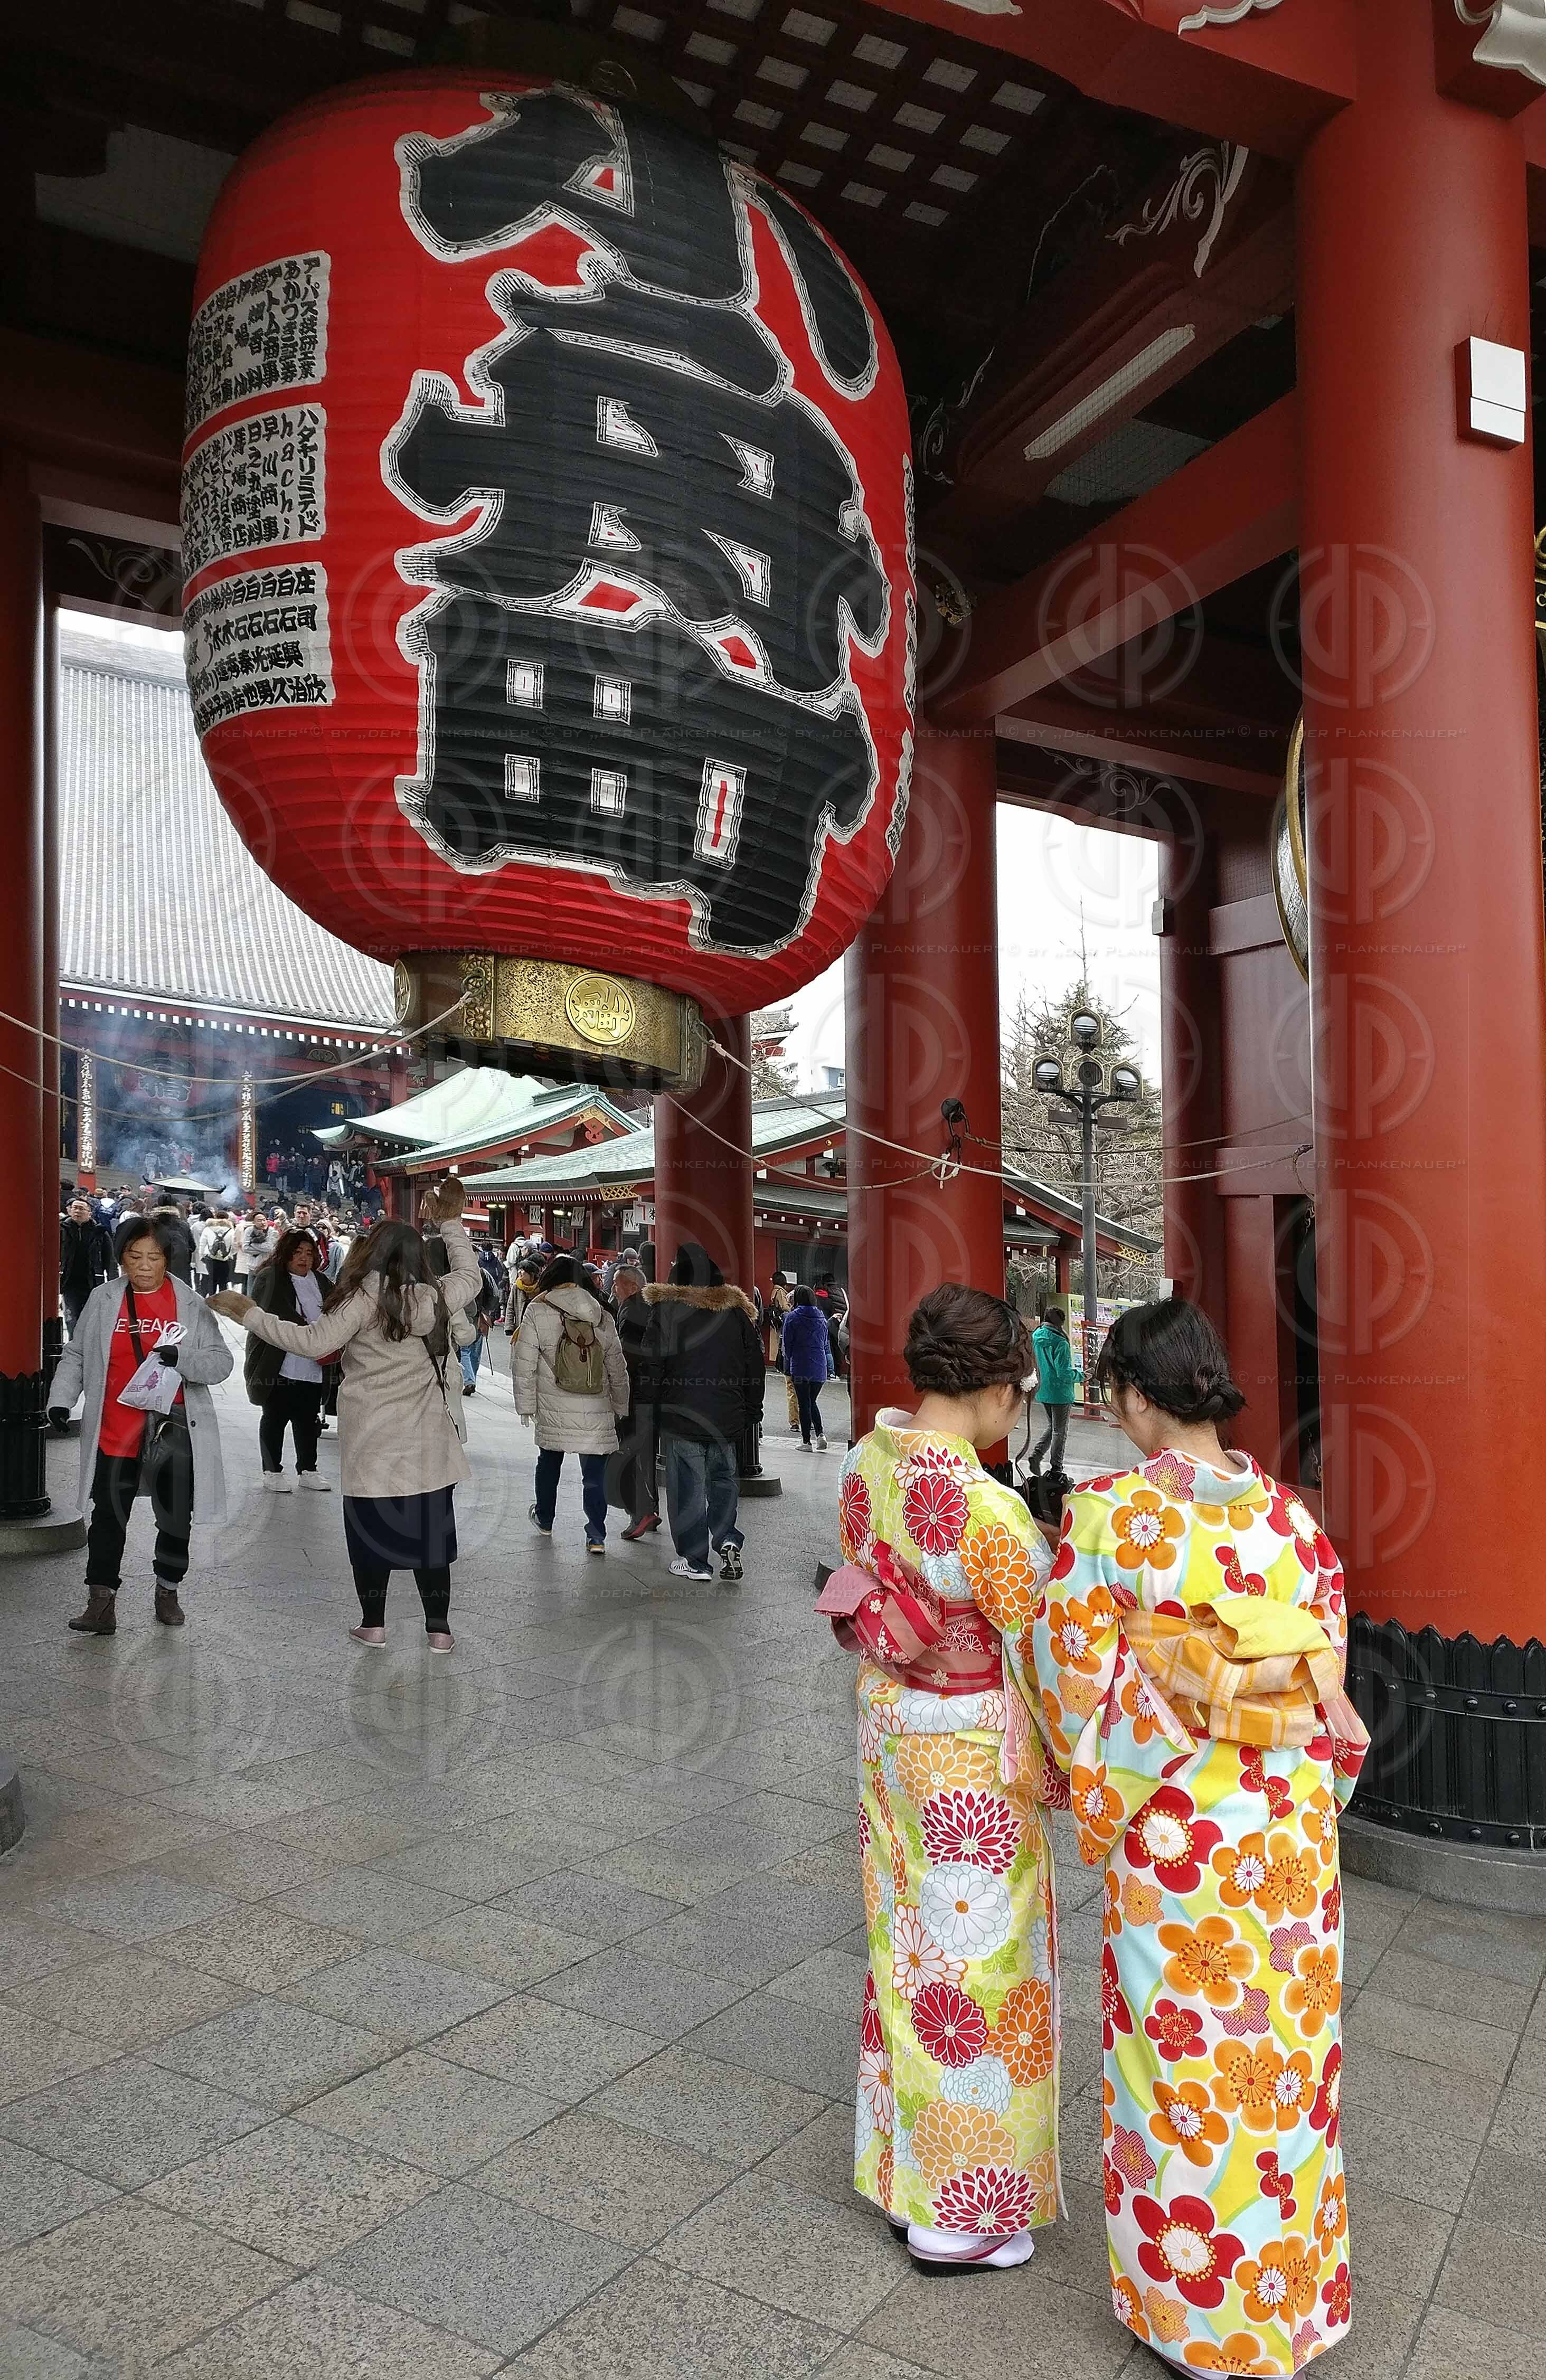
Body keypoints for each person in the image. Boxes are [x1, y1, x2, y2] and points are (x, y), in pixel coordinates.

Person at [1030, 1296, 1366, 2373]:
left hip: (1178, 1831)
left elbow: (1071, 1670)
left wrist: (1080, 1758)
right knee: (1287, 2067)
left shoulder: (1109, 1515)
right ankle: (1291, 2302)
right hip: (1288, 1838)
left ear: (1134, 1394)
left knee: (1180, 2063)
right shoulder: (1290, 1520)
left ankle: (1196, 2315)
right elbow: (1325, 1674)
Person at [832, 1283, 1060, 2273]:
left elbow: (859, 1575)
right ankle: (959, 2212)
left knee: (907, 1947)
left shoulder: (861, 1462)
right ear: (999, 1384)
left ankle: (904, 2176)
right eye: (1019, 1388)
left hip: (891, 1730)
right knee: (979, 1964)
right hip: (967, 1752)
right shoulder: (984, 1504)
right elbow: (1044, 1646)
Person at [211, 1181, 479, 1651]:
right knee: (431, 1542)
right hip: (427, 1444)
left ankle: (373, 1626)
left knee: (372, 1538)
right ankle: (439, 1631)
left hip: (373, 1441)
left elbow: (313, 1343)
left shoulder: (361, 1299)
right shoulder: (434, 1297)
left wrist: (251, 1315)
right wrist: (451, 1224)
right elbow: (471, 1276)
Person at [49, 1213, 233, 1633]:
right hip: (116, 1429)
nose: (145, 1266)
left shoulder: (191, 1304)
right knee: (108, 1517)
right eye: (135, 1256)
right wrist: (61, 1400)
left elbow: (222, 1363)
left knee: (173, 1518)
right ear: (122, 1260)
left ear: (168, 1260)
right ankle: (101, 1602)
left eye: (154, 1257)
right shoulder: (103, 1299)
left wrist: (181, 1359)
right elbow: (77, 1353)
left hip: (175, 1430)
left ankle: (168, 1590)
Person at [640, 1240, 763, 1582]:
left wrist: (648, 1408)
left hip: (683, 1417)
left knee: (688, 1487)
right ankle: (726, 1539)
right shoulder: (736, 1313)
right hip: (726, 1418)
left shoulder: (667, 1310)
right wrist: (752, 1410)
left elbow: (653, 1364)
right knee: (724, 1480)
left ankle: (695, 1560)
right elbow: (755, 1365)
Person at [512, 1253, 629, 1554]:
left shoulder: (539, 1309)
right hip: (596, 1404)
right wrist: (621, 1406)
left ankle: (546, 1518)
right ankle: (597, 1536)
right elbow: (617, 1365)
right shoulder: (600, 1311)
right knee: (594, 1474)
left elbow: (524, 1364)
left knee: (549, 1462)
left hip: (554, 1405)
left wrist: (526, 1407)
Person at [243, 1229, 332, 1492]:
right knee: (275, 1417)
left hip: (313, 1362)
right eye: (298, 1253)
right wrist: (308, 1329)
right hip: (278, 1361)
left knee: (308, 1418)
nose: (304, 1259)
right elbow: (267, 1313)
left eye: (309, 1253)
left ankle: (308, 1469)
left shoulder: (322, 1281)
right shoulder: (270, 1277)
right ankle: (272, 1470)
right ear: (286, 1254)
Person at [607, 1259, 659, 1541]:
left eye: (617, 1283)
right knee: (646, 1451)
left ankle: (641, 1512)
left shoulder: (631, 1310)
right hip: (654, 1393)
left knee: (629, 1453)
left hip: (636, 1393)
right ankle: (650, 1510)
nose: (613, 1288)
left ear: (633, 1285)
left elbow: (627, 1357)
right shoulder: (651, 1308)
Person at [780, 1283, 833, 1451]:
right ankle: (820, 1435)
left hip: (801, 1364)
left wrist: (789, 1359)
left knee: (804, 1403)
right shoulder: (822, 1318)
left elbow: (787, 1344)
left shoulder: (793, 1317)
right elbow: (825, 1343)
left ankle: (806, 1442)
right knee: (812, 1401)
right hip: (820, 1366)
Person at [1027, 1302, 1076, 1477]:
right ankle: (1056, 1467)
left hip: (1043, 1390)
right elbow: (1064, 1374)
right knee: (1059, 1431)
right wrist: (1082, 1376)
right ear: (1060, 1323)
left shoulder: (1036, 1336)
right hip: (1060, 1393)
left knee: (1053, 1426)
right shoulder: (1061, 1342)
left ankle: (1037, 1455)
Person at [59, 1193, 116, 1338]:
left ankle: (88, 1347)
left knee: (92, 1319)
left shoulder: (100, 1232)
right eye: (75, 1208)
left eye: (81, 1209)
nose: (77, 1211)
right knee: (72, 1317)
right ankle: (73, 1346)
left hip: (92, 1282)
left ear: (89, 1213)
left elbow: (110, 1259)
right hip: (69, 1281)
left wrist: (113, 1283)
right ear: (69, 1210)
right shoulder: (61, 1229)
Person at [197, 1208, 239, 1298]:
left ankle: (211, 1301)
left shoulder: (208, 1229)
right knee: (223, 1282)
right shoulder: (231, 1231)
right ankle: (222, 1301)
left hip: (210, 1258)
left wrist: (202, 1256)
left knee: (212, 1281)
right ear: (227, 1219)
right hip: (225, 1259)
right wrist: (230, 1254)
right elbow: (235, 1246)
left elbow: (202, 1244)